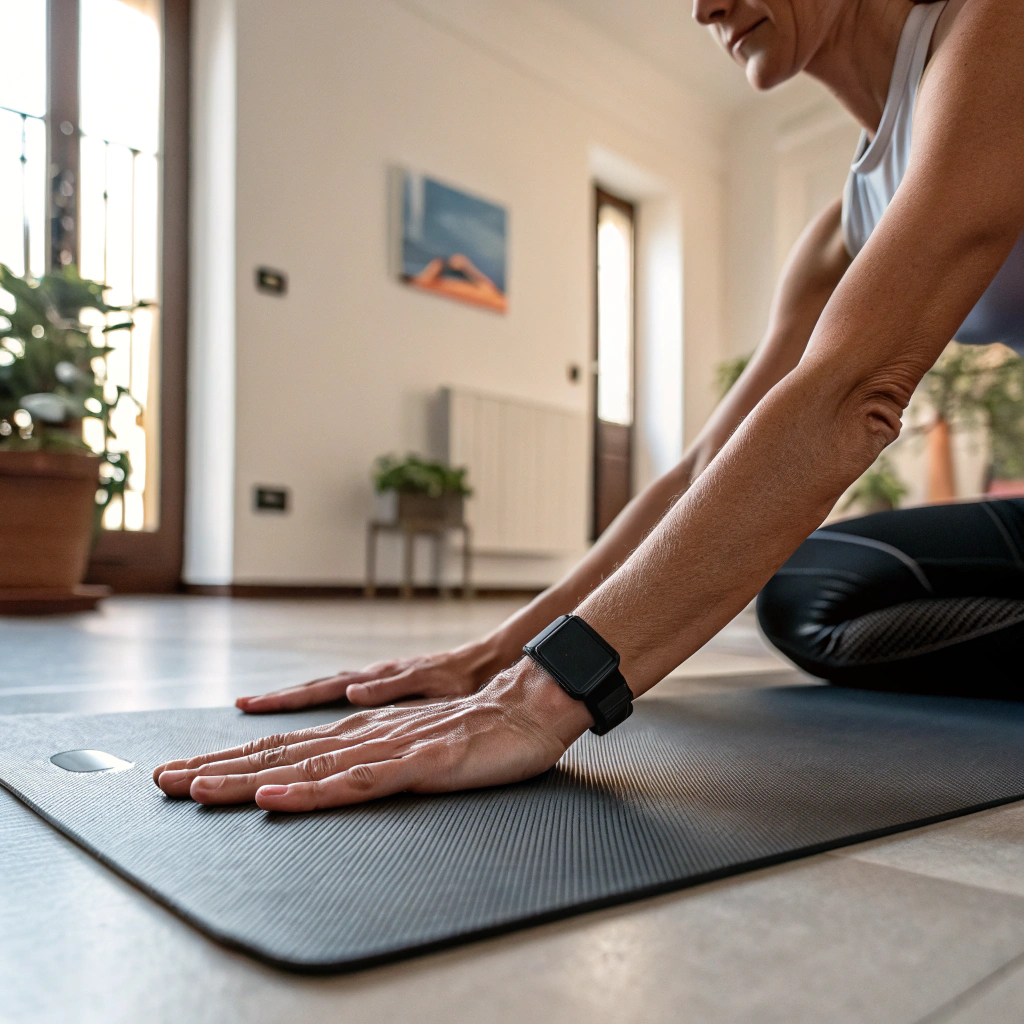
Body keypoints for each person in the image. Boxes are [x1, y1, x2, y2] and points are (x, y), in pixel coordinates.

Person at [155, 0, 1024, 812]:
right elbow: (703, 468)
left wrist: (547, 697)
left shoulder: (995, 24)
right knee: (808, 592)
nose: (703, 7)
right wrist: (503, 654)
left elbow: (851, 395)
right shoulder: (846, 224)